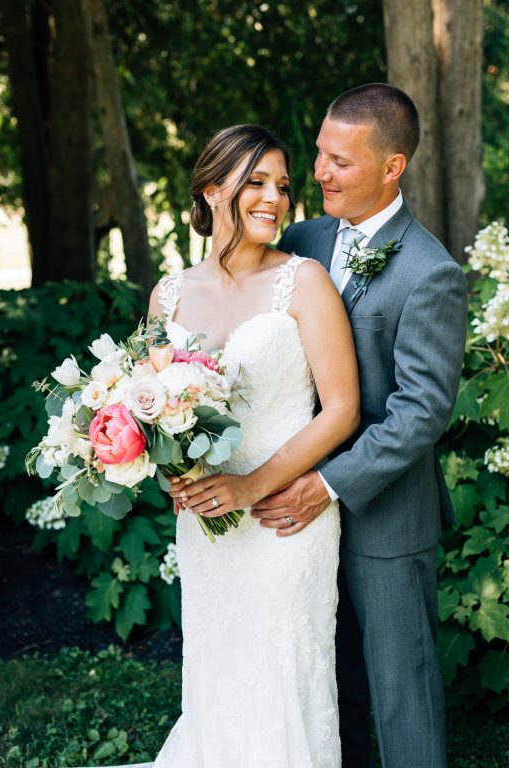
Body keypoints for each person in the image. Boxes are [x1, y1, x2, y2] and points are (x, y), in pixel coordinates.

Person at [250, 84, 468, 768]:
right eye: (318, 153)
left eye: (339, 161)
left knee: (401, 683)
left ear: (392, 167)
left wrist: (328, 482)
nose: (317, 172)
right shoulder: (303, 240)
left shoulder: (431, 273)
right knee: (323, 669)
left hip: (384, 512)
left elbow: (420, 410)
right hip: (297, 507)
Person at [148, 124, 359, 767]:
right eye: (256, 182)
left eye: (284, 185)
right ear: (213, 192)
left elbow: (343, 409)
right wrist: (169, 476)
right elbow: (155, 415)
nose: (276, 198)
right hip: (207, 528)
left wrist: (249, 485)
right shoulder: (170, 294)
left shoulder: (306, 282)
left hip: (283, 519)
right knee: (219, 669)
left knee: (284, 673)